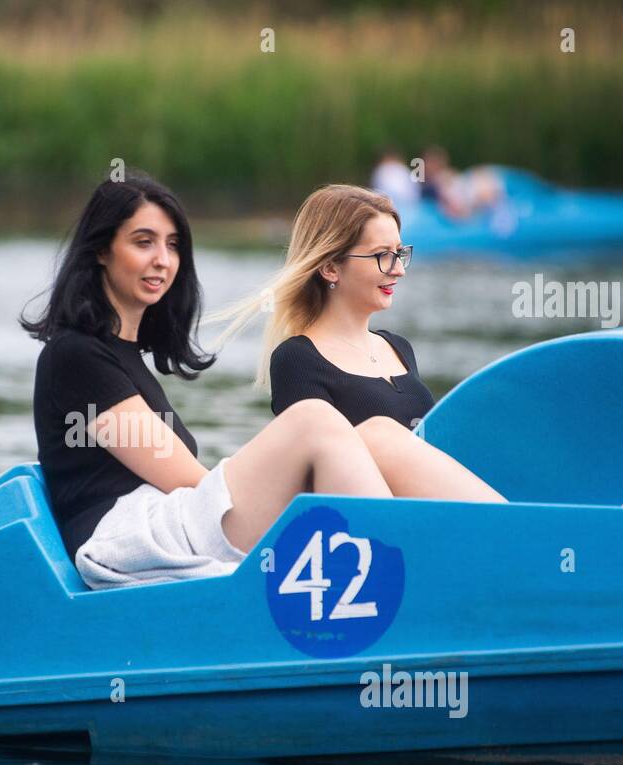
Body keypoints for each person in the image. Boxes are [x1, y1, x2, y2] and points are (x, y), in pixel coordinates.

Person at [22, 173, 399, 590]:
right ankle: (403, 570)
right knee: (312, 422)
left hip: (162, 522)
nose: (163, 259)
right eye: (143, 242)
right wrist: (279, 485)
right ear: (101, 252)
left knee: (377, 436)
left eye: (173, 245)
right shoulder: (75, 355)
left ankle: (434, 551)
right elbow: (184, 480)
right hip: (124, 539)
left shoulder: (124, 356)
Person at [203, 184, 623, 509]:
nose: (398, 269)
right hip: (384, 529)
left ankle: (570, 520)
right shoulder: (298, 358)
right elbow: (314, 481)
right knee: (377, 435)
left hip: (440, 514)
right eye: (382, 256)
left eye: (401, 253)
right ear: (330, 269)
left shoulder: (399, 347)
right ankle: (540, 537)